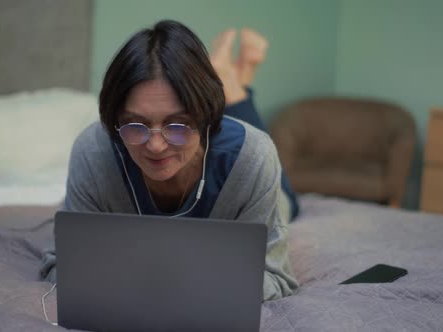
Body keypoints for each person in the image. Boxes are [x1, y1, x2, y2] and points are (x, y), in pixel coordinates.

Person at [40, 20, 298, 301]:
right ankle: (234, 79)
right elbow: (64, 266)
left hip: (251, 170)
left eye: (177, 126)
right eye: (135, 125)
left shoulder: (253, 158)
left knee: (288, 200)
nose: (155, 146)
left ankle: (236, 85)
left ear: (206, 118)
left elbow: (277, 277)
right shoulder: (93, 152)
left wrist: (160, 280)